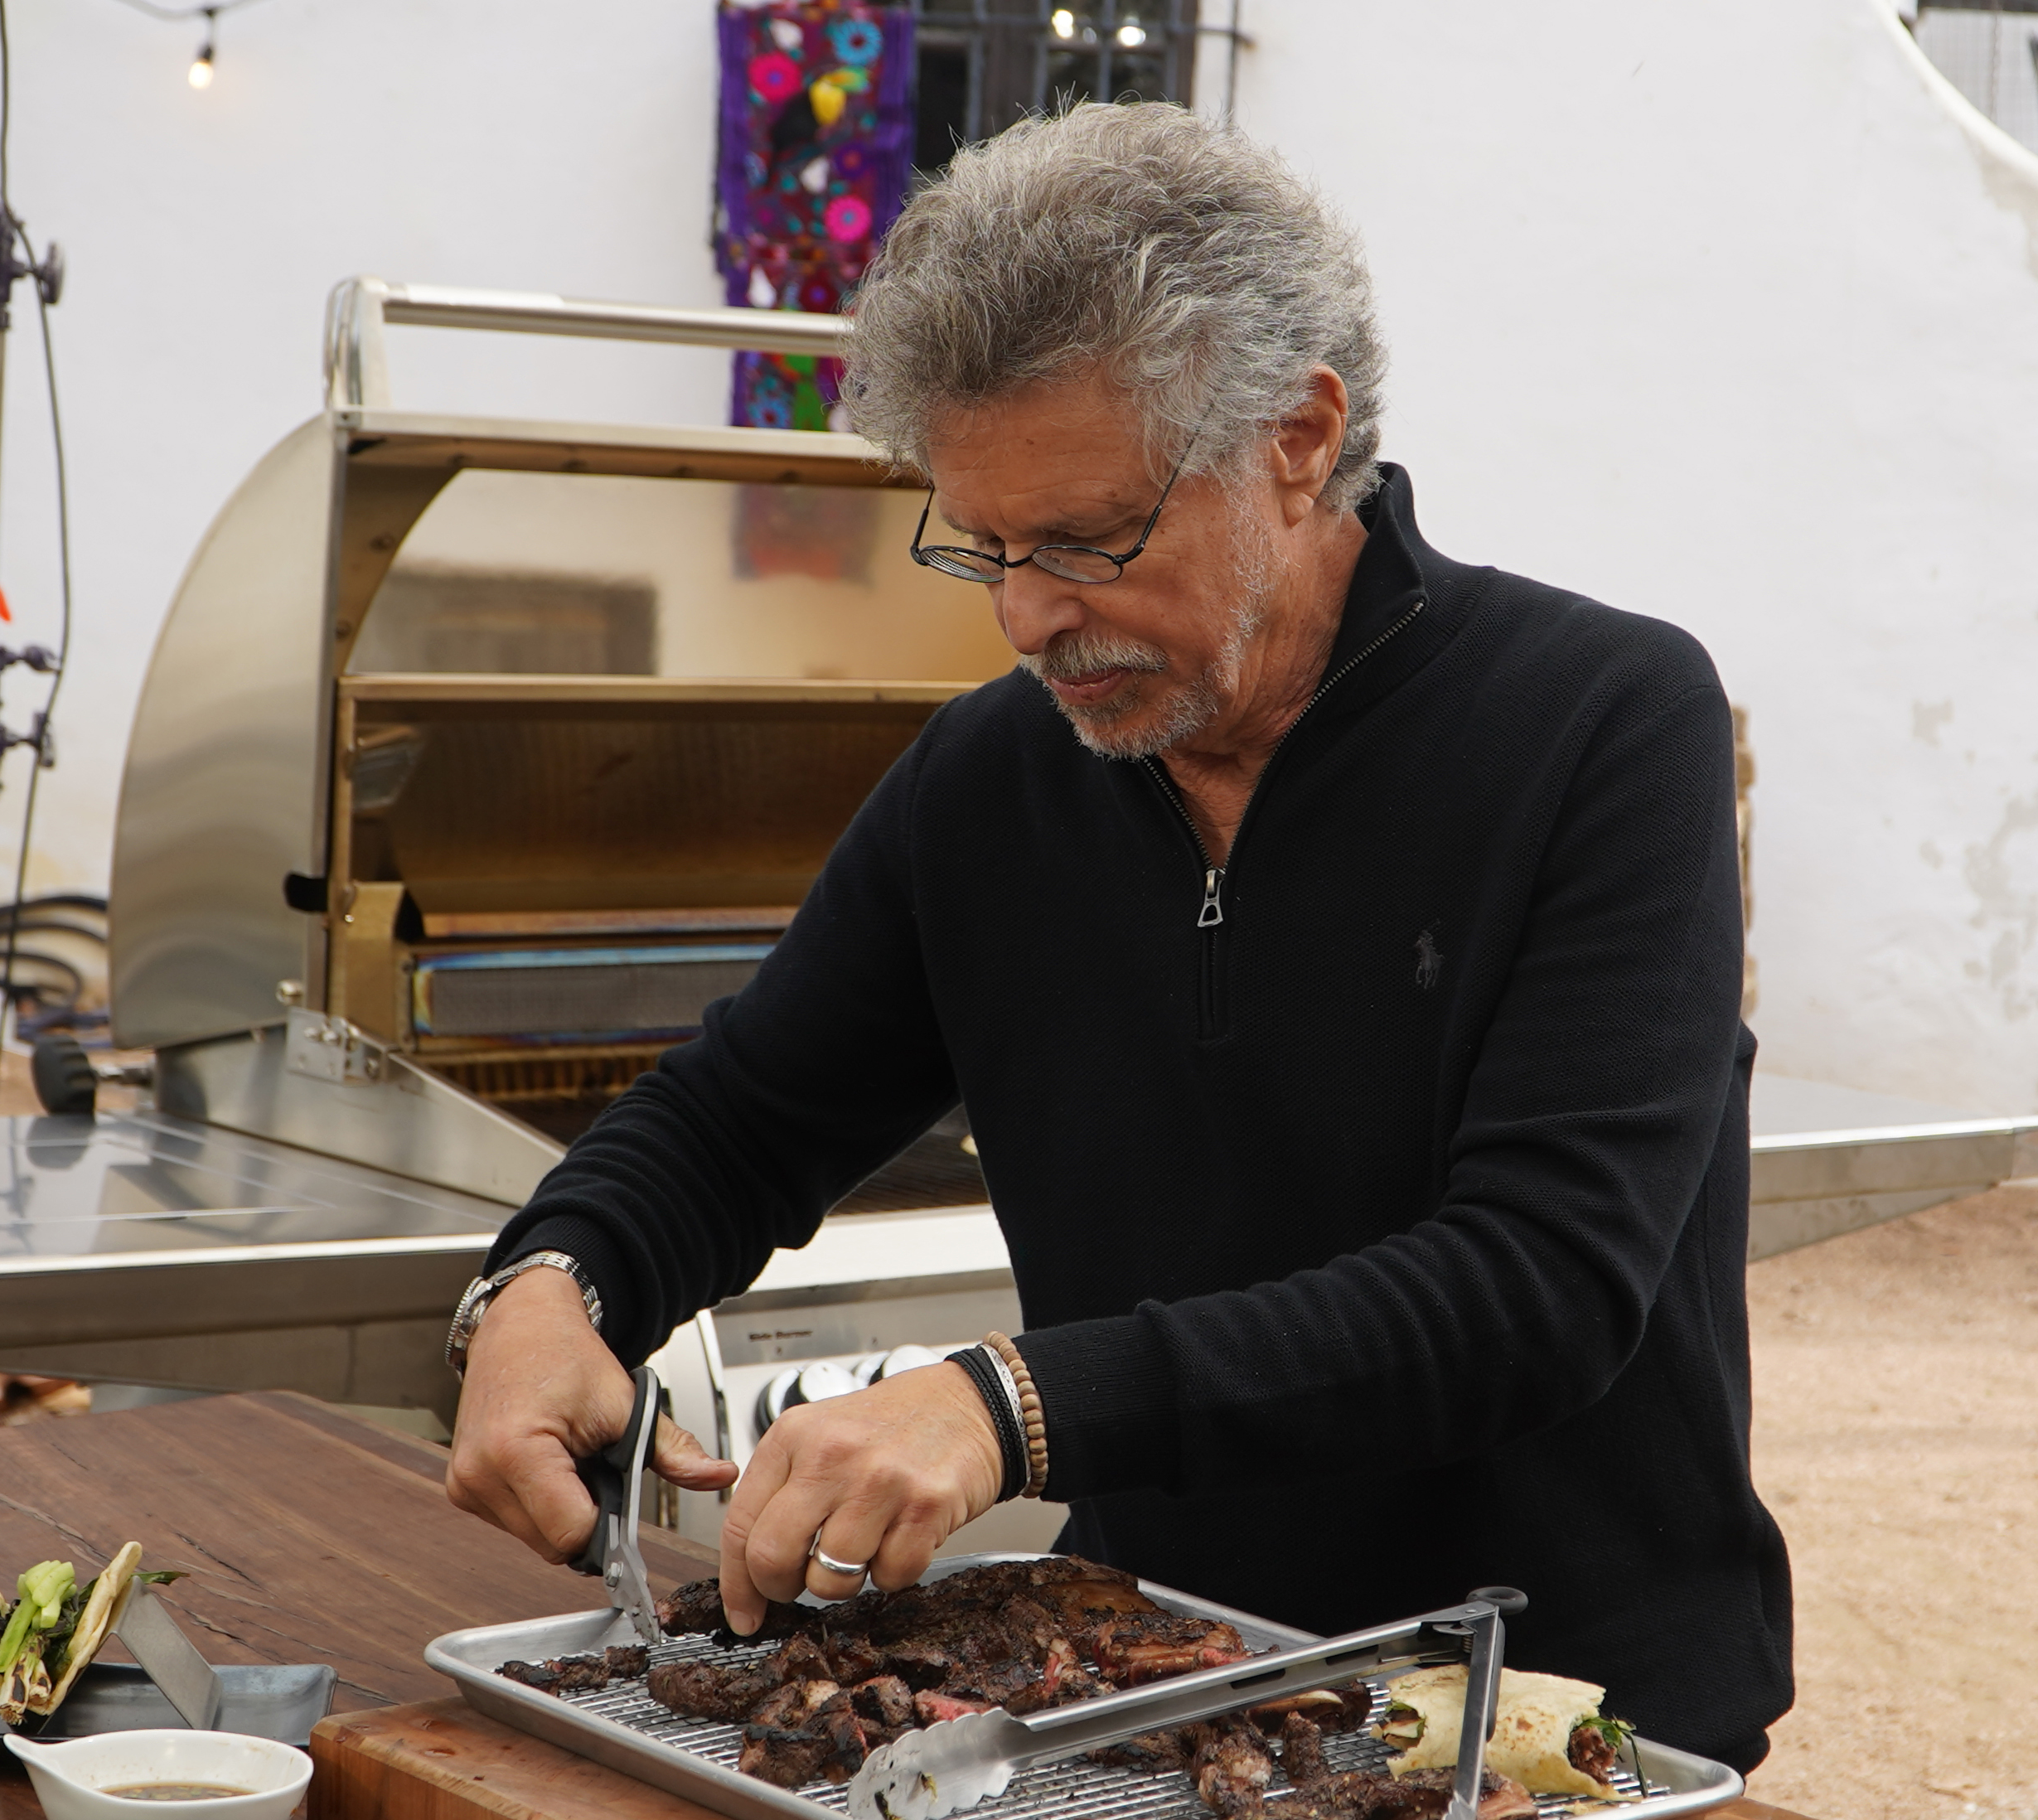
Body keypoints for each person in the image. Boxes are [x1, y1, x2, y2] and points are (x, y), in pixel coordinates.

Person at [443, 101, 1793, 1770]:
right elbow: (740, 1119)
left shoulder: (1601, 721)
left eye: (1088, 540)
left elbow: (1537, 1284)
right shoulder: (989, 781)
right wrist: (549, 1282)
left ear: (1298, 440)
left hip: (1551, 1720)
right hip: (1153, 1707)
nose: (1025, 616)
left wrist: (1005, 1406)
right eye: (981, 547)